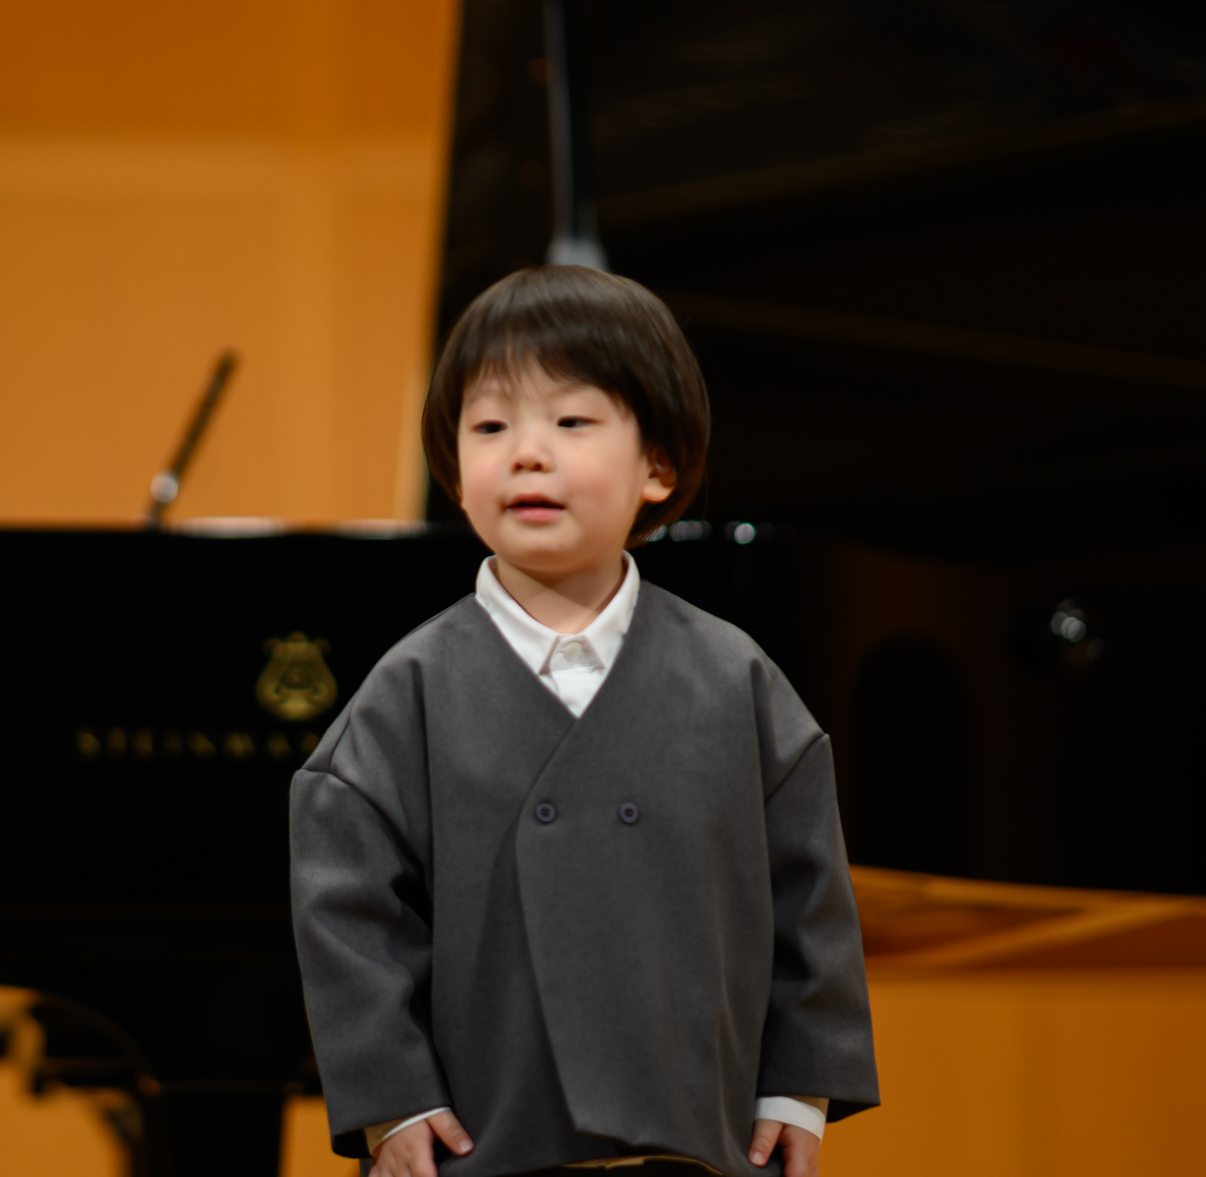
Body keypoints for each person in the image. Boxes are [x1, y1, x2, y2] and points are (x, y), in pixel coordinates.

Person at [289, 266, 878, 1176]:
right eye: (490, 427)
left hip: (697, 1134)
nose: (527, 452)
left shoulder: (735, 678)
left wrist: (797, 1085)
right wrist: (391, 1095)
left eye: (570, 422)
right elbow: (349, 911)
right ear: (453, 467)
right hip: (483, 1138)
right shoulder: (408, 688)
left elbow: (812, 897)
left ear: (658, 465)